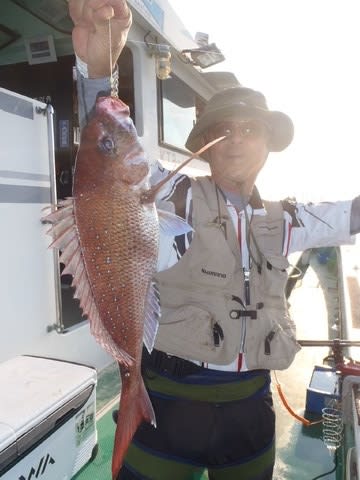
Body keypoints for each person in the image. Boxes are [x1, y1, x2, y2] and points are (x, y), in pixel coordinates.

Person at [68, 1, 360, 479]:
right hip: (167, 404)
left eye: (251, 130)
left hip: (249, 416)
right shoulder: (169, 194)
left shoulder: (287, 218)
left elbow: (349, 214)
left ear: (268, 144)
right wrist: (99, 70)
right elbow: (106, 168)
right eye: (224, 130)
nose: (237, 140)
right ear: (205, 141)